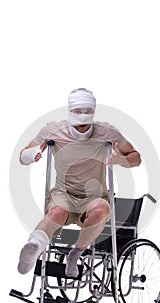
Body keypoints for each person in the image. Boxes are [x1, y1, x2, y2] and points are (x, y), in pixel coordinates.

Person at [17, 88, 141, 277]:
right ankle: (34, 246)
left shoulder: (108, 132)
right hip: (63, 194)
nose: (82, 120)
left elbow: (136, 158)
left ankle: (75, 254)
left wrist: (121, 160)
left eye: (87, 112)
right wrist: (32, 154)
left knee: (101, 209)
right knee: (57, 211)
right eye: (77, 112)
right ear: (70, 111)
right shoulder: (53, 130)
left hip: (94, 196)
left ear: (93, 111)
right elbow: (23, 156)